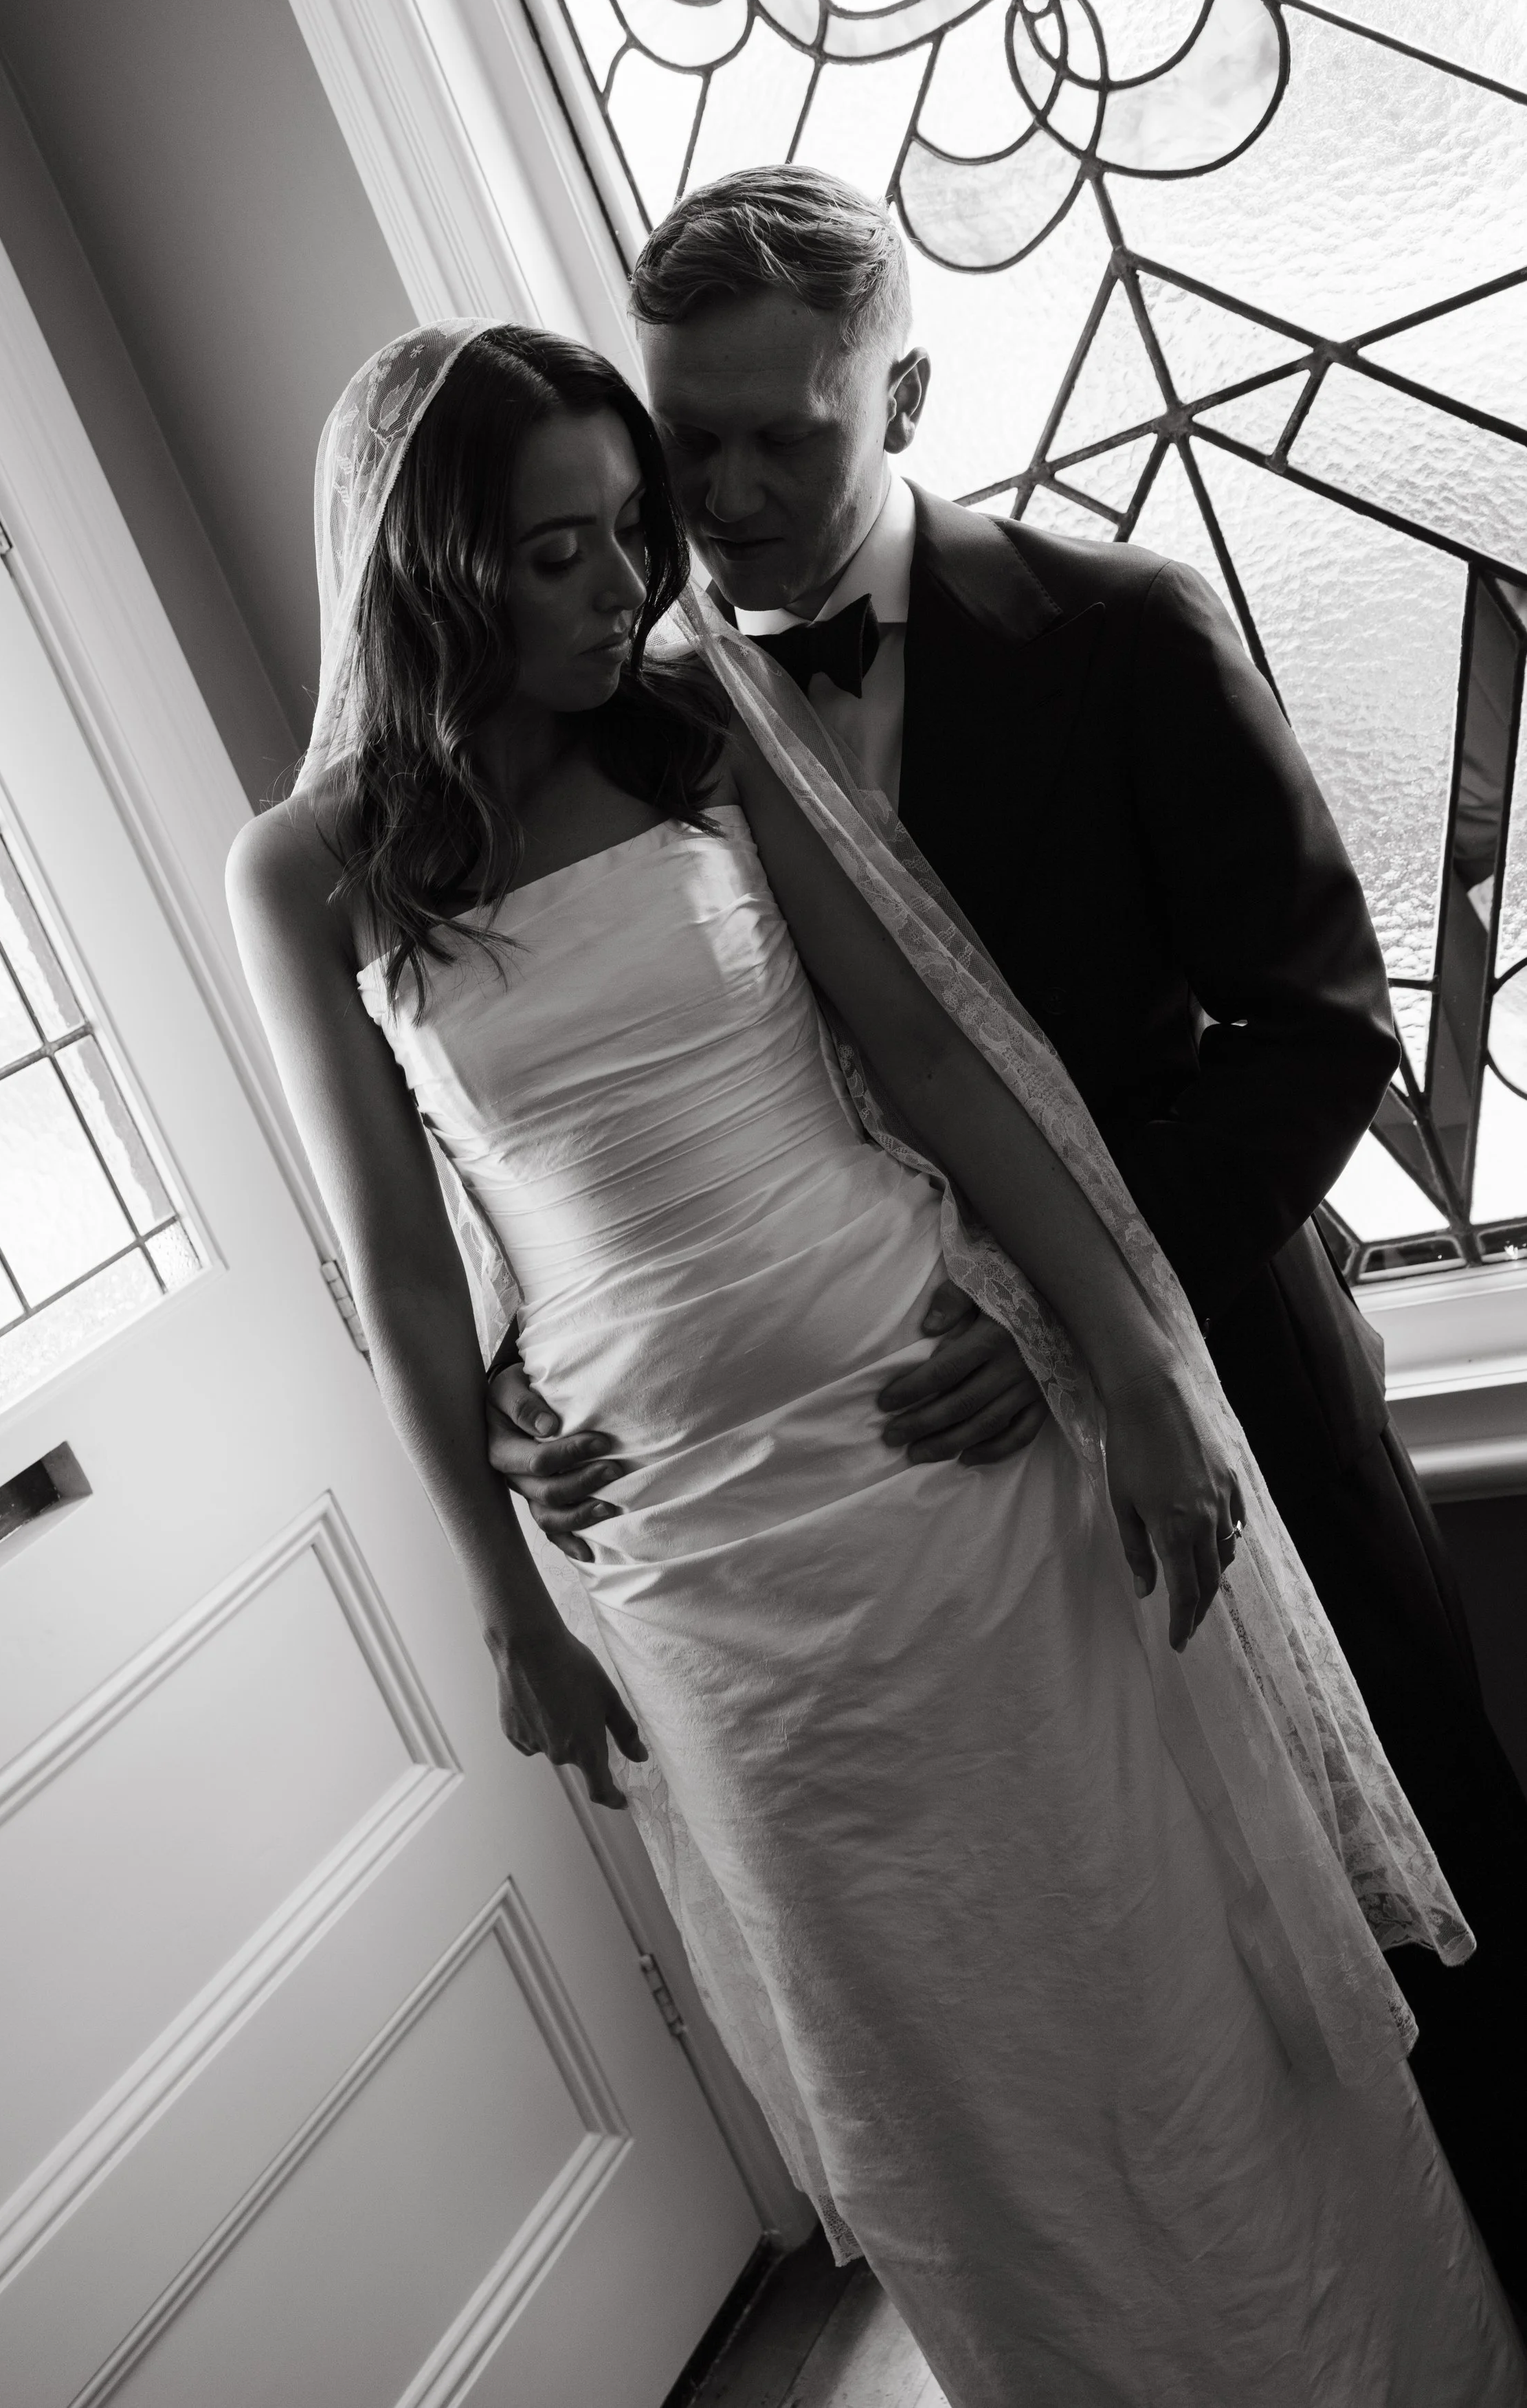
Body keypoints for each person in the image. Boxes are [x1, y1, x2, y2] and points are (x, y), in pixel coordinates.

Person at [229, 316, 1522, 2404]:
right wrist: (504, 1603)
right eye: (554, 552)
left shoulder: (700, 733)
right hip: (685, 1543)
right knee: (930, 2045)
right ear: (422, 560)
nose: (620, 585)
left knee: (1154, 1967)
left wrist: (1133, 1371)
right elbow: (394, 1261)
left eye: (627, 535)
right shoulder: (306, 868)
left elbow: (927, 1048)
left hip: (949, 1441)